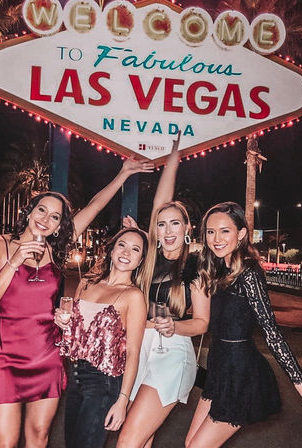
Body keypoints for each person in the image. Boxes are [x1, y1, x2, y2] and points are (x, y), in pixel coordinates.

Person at [0, 158, 153, 448]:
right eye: (41, 209)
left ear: (60, 226)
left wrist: (123, 173)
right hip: (4, 357)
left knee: (39, 438)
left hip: (47, 357)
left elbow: (94, 207)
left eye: (55, 217)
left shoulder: (57, 252)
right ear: (29, 211)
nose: (46, 218)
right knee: (2, 441)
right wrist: (14, 263)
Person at [185, 202, 302, 448]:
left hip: (241, 375)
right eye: (210, 232)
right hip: (219, 374)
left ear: (241, 234)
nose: (216, 238)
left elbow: (272, 332)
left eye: (225, 231)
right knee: (190, 443)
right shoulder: (218, 269)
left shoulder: (249, 273)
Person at [117, 134, 210, 448]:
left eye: (175, 224)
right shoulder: (150, 256)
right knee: (142, 439)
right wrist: (174, 156)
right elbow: (160, 201)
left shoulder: (195, 264)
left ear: (186, 229)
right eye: (162, 224)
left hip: (172, 352)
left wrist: (174, 325)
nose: (168, 230)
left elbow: (201, 322)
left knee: (128, 440)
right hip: (138, 347)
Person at [55, 227, 148, 448]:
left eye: (135, 249)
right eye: (122, 245)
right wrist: (63, 322)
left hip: (103, 382)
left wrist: (123, 401)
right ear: (112, 249)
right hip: (75, 377)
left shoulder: (133, 296)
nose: (126, 252)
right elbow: (74, 333)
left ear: (141, 260)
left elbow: (133, 352)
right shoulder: (87, 282)